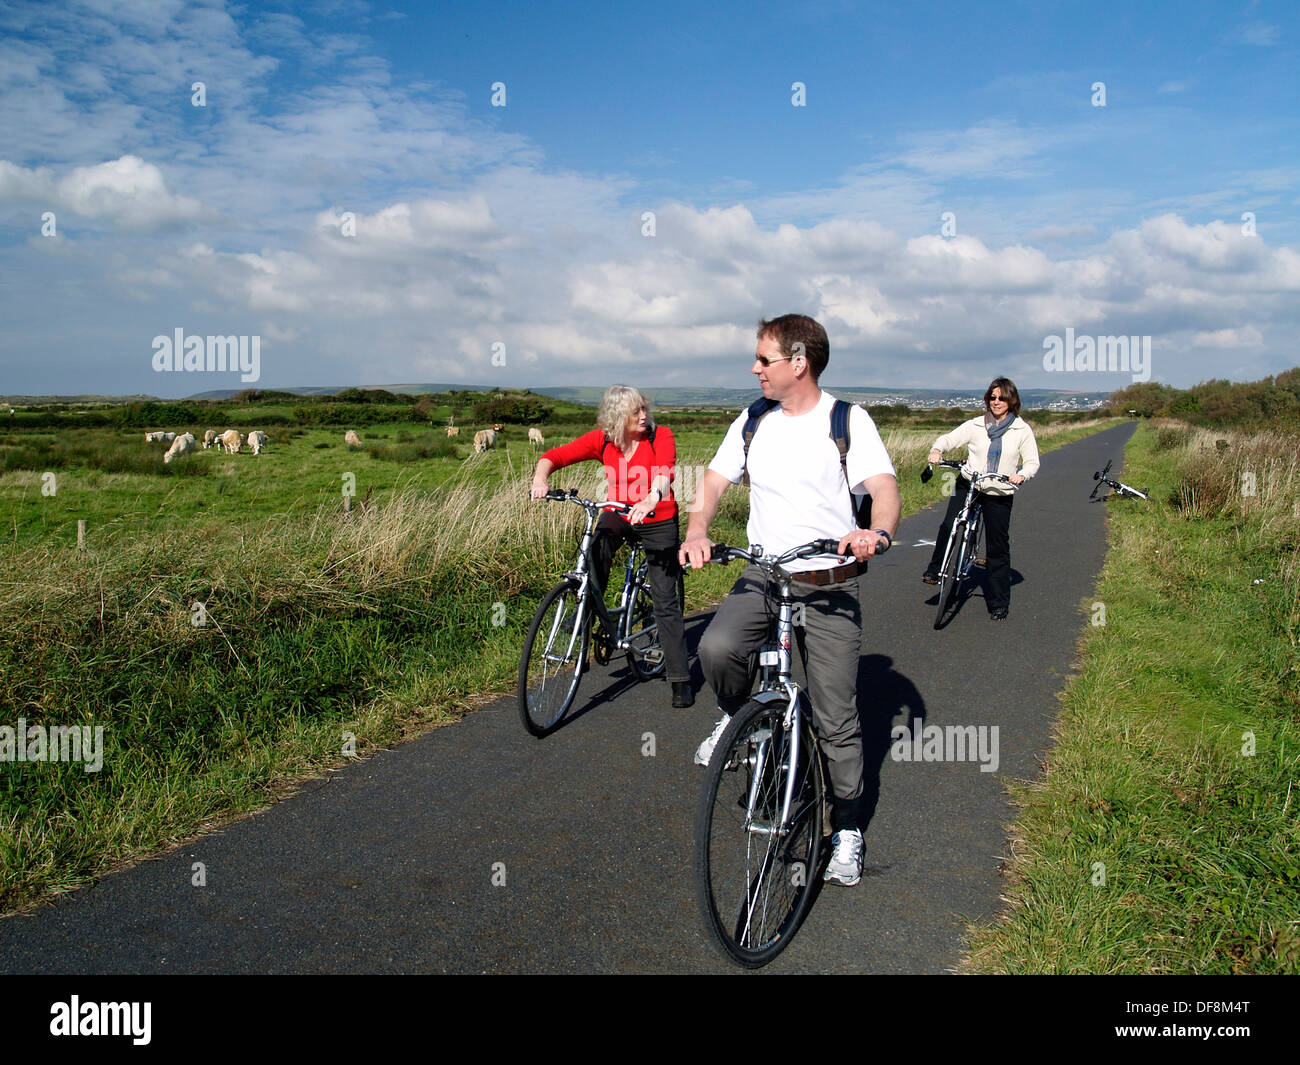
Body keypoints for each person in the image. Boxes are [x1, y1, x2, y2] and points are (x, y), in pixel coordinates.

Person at [679, 315, 900, 887]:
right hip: (764, 575)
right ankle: (742, 719)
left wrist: (874, 532)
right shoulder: (753, 420)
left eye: (763, 359)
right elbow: (712, 483)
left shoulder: (848, 420)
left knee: (835, 716)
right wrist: (697, 528)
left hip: (828, 584)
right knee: (719, 650)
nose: (754, 369)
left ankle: (846, 827)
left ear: (797, 362)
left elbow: (882, 489)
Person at [530, 385, 694, 707]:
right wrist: (540, 479)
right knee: (594, 556)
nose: (645, 415)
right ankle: (584, 624)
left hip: (657, 517)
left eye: (644, 408)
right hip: (618, 512)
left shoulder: (660, 436)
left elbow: (665, 473)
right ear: (618, 417)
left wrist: (650, 498)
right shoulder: (603, 440)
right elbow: (555, 456)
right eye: (636, 412)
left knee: (664, 598)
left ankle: (680, 678)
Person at [922, 377, 1039, 620]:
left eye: (1001, 398)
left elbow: (1032, 462)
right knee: (948, 524)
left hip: (999, 489)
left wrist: (1022, 475)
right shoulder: (976, 424)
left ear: (1011, 400)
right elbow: (948, 439)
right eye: (992, 397)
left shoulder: (1021, 429)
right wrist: (936, 450)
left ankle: (998, 602)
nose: (996, 402)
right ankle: (935, 570)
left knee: (997, 545)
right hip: (970, 482)